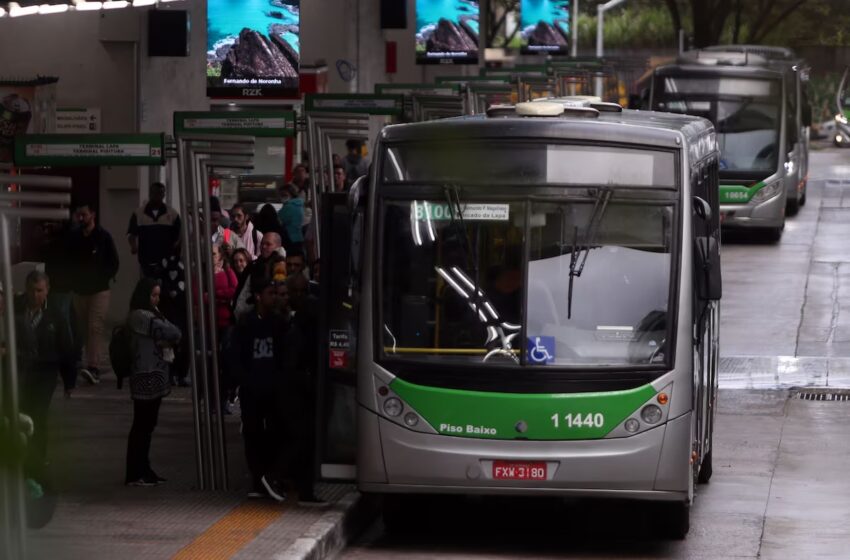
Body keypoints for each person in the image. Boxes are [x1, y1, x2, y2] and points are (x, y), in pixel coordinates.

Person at [231, 275, 296, 501]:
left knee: (275, 431)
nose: (274, 297)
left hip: (272, 388)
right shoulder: (246, 324)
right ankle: (257, 481)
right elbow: (235, 357)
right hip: (253, 389)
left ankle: (271, 477)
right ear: (258, 296)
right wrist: (244, 380)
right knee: (253, 433)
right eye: (269, 293)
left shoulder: (278, 323)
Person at [16, 271, 75, 482]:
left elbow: (66, 348)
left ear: (47, 290)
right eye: (32, 290)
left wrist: (69, 381)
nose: (35, 295)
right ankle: (23, 455)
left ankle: (38, 456)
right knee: (22, 412)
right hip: (22, 371)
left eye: (39, 290)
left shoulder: (55, 314)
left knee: (38, 413)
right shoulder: (17, 309)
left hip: (45, 371)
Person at [125, 278, 182, 486]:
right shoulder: (140, 316)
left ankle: (144, 467)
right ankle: (135, 471)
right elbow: (173, 332)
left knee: (148, 425)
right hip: (144, 375)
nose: (156, 299)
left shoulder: (153, 314)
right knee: (142, 424)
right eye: (153, 295)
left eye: (158, 295)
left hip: (155, 374)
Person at [68, 203, 120, 385]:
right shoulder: (74, 237)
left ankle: (93, 366)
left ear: (93, 215)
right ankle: (79, 360)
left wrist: (103, 276)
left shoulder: (103, 237)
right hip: (79, 290)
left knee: (95, 327)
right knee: (82, 327)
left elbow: (114, 261)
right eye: (78, 215)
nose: (81, 218)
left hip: (99, 290)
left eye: (84, 214)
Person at [284, 273, 325, 505]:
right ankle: (280, 476)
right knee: (302, 439)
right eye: (295, 292)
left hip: (304, 384)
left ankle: (302, 488)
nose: (299, 296)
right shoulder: (299, 318)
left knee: (305, 439)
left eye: (302, 291)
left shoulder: (306, 313)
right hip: (298, 387)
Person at [127, 182, 181, 281]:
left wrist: (175, 252)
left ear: (163, 195)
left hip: (167, 261)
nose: (157, 196)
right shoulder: (138, 214)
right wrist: (133, 246)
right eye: (154, 193)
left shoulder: (172, 214)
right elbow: (131, 234)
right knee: (148, 289)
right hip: (146, 260)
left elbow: (179, 236)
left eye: (160, 193)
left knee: (164, 290)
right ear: (150, 193)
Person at [233, 232, 284, 321]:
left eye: (268, 244)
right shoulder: (253, 266)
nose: (263, 247)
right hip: (252, 314)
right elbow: (241, 291)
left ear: (278, 246)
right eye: (262, 244)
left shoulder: (284, 265)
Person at [277, 184, 304, 256]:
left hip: (290, 239)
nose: (282, 197)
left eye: (284, 195)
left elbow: (279, 218)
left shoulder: (289, 207)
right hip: (298, 237)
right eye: (281, 195)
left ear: (292, 194)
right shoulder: (299, 205)